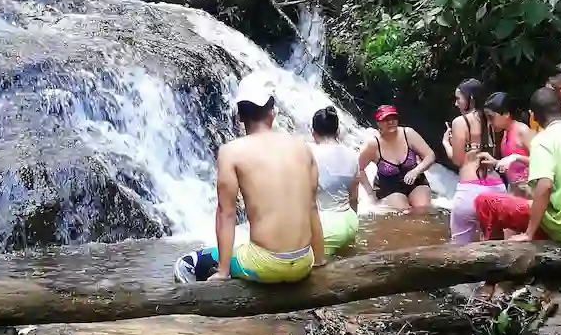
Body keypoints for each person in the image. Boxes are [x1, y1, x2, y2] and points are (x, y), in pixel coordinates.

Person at [175, 76, 324, 283]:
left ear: (240, 117)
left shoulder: (231, 152)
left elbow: (226, 213)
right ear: (273, 112)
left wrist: (223, 271)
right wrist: (319, 261)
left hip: (266, 266)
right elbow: (312, 206)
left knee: (193, 261)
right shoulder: (302, 147)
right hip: (304, 262)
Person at [474, 86, 561, 245]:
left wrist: (529, 233)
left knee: (484, 201)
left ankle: (492, 258)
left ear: (533, 117)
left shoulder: (542, 140)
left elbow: (545, 185)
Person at [444, 78, 503, 244]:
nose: (456, 104)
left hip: (470, 191)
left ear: (470, 98)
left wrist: (446, 144)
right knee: (496, 244)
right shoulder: (493, 120)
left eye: (458, 99)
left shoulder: (460, 122)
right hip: (497, 188)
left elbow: (458, 160)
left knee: (459, 246)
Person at [357, 104, 436, 213]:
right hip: (389, 188)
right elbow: (359, 169)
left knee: (422, 208)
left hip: (416, 181)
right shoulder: (373, 144)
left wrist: (416, 171)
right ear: (378, 123)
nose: (390, 122)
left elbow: (430, 155)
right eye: (386, 119)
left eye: (393, 118)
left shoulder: (408, 133)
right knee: (403, 212)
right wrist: (370, 194)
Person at [310, 105, 361, 254]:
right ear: (338, 131)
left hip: (326, 226)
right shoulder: (352, 155)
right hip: (350, 221)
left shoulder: (309, 152)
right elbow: (354, 196)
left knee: (321, 273)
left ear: (313, 133)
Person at [481, 92, 533, 188]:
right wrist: (496, 162)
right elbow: (511, 164)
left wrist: (516, 157)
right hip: (514, 188)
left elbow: (541, 160)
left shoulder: (522, 130)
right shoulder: (505, 133)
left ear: (506, 114)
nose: (489, 123)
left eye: (491, 118)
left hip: (529, 188)